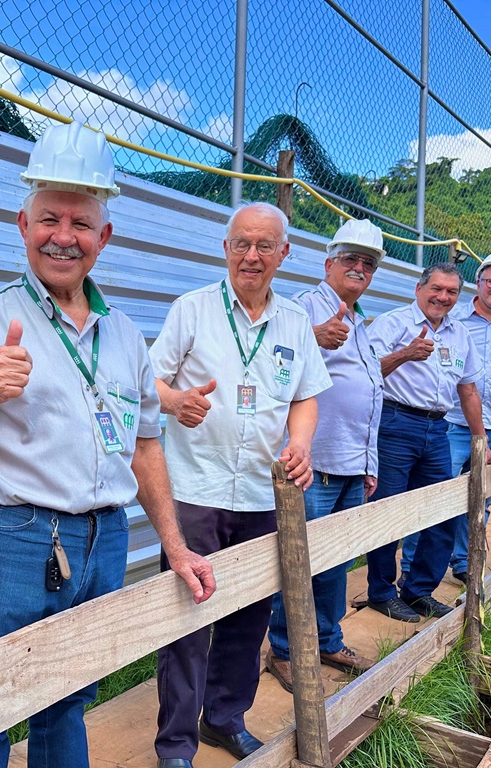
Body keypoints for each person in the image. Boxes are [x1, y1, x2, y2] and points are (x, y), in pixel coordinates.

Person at [0, 121, 216, 768]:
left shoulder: (125, 334)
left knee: (69, 699)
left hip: (104, 540)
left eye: (81, 223)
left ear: (103, 237)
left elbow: (144, 447)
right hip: (11, 537)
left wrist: (174, 545)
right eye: (49, 218)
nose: (63, 236)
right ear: (22, 225)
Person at [149, 202, 331, 768]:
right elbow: (149, 381)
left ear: (284, 253)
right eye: (241, 244)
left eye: (264, 246)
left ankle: (224, 719)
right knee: (186, 620)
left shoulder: (295, 322)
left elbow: (305, 397)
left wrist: (300, 445)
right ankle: (176, 745)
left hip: (262, 493)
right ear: (225, 248)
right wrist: (175, 401)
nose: (251, 256)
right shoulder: (192, 310)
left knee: (248, 615)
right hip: (194, 490)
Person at [264, 219, 384, 693]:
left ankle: (328, 639)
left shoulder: (360, 320)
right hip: (314, 464)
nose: (359, 268)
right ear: (329, 262)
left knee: (336, 561)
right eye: (350, 259)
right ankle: (285, 650)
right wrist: (313, 336)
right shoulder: (300, 309)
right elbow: (269, 357)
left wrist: (370, 462)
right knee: (297, 559)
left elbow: (369, 390)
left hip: (352, 464)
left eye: (368, 263)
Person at [364, 262, 491, 623]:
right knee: (388, 511)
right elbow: (364, 372)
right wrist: (405, 354)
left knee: (442, 510)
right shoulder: (393, 324)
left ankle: (418, 590)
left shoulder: (460, 335)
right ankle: (381, 592)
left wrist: (482, 441)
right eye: (436, 289)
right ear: (419, 289)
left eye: (451, 292)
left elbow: (468, 391)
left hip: (437, 427)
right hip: (395, 423)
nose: (443, 297)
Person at [401, 250, 491, 583]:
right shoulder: (453, 318)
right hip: (449, 426)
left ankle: (464, 562)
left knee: (480, 498)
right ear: (478, 282)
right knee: (435, 497)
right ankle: (411, 569)